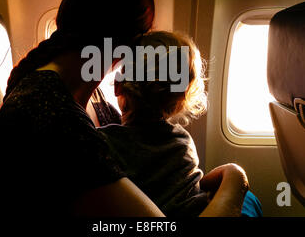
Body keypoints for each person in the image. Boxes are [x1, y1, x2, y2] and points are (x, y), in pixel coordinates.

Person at [0, 0, 249, 216]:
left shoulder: (91, 97)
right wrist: (236, 179)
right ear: (126, 41)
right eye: (141, 38)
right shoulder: (49, 113)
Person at [98, 31, 262, 217]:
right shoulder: (182, 140)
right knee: (248, 199)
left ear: (118, 86)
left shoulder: (103, 142)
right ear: (180, 98)